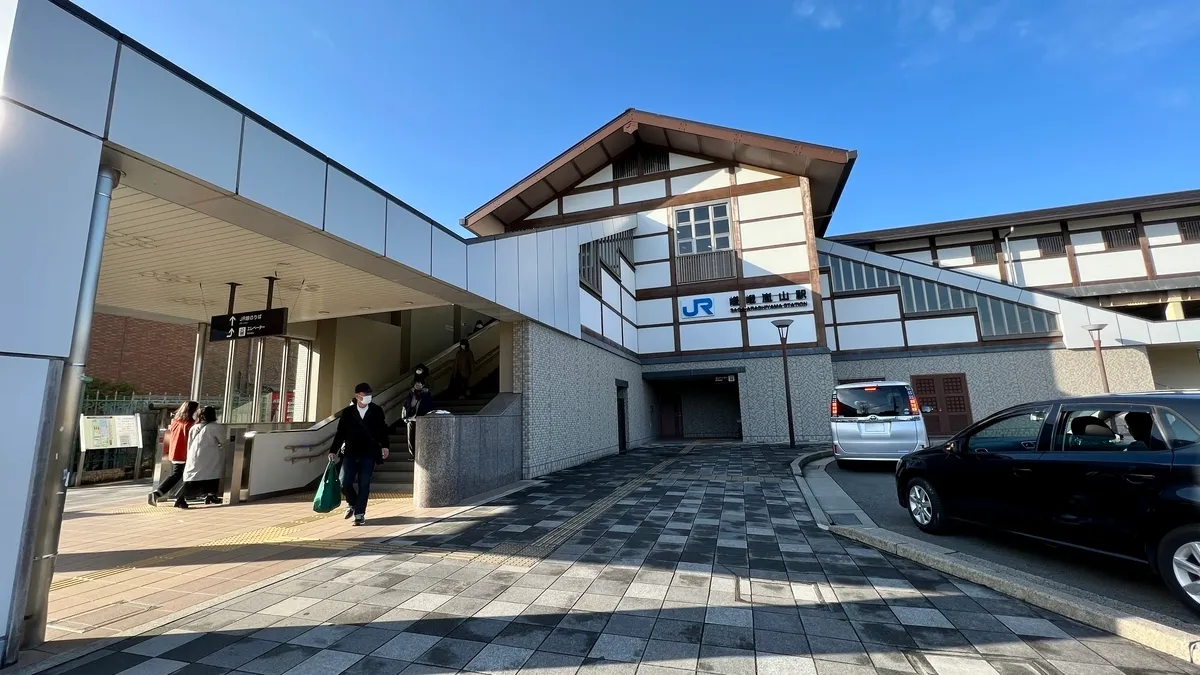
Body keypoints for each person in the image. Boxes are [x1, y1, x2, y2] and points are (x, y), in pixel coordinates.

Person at [328, 383, 389, 525]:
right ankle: (352, 502)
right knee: (344, 482)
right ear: (357, 396)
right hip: (350, 453)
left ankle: (360, 513)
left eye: (369, 395)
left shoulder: (376, 410)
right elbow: (340, 433)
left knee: (364, 484)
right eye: (364, 395)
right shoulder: (348, 412)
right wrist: (333, 450)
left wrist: (385, 446)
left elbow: (382, 430)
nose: (367, 397)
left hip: (369, 453)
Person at [148, 401, 198, 506]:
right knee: (180, 476)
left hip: (175, 452)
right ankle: (158, 493)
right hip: (185, 453)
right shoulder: (190, 424)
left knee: (180, 476)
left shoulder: (176, 421)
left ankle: (180, 499)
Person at [176, 406, 224, 509]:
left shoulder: (194, 427)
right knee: (211, 476)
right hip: (209, 456)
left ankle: (208, 496)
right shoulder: (216, 427)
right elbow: (223, 441)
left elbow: (190, 442)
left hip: (194, 455)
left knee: (193, 477)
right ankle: (181, 498)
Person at [401, 380, 434, 458]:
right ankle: (413, 454)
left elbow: (429, 406)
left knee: (421, 438)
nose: (418, 386)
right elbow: (406, 406)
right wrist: (406, 417)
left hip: (421, 419)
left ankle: (422, 454)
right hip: (411, 419)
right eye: (416, 384)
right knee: (411, 438)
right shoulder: (410, 395)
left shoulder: (426, 395)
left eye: (420, 384)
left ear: (423, 386)